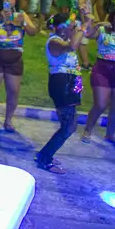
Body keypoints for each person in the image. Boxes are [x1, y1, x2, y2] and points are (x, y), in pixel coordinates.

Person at [35, 13, 87, 174]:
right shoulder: (54, 41)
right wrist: (83, 28)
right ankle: (45, 159)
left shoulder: (66, 40)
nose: (73, 28)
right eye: (70, 26)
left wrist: (88, 19)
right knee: (69, 126)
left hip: (72, 82)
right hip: (61, 83)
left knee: (70, 124)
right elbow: (73, 46)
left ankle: (44, 154)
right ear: (60, 27)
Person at [0, 0, 38, 131]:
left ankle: (8, 120)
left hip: (14, 59)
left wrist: (23, 23)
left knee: (13, 91)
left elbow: (33, 32)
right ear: (2, 0)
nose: (9, 0)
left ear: (15, 1)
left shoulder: (21, 14)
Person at [82, 6, 115, 144]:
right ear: (113, 18)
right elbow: (88, 34)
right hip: (103, 70)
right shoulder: (103, 31)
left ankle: (110, 134)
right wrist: (98, 24)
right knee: (101, 104)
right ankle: (88, 130)